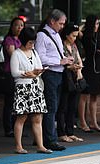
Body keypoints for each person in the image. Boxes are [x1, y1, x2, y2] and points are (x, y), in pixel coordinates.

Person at [36, 9, 73, 152]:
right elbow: (41, 57)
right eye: (61, 23)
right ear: (52, 21)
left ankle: (43, 137)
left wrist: (65, 61)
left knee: (55, 106)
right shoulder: (42, 35)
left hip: (58, 73)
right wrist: (60, 61)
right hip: (49, 73)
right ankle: (50, 140)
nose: (62, 26)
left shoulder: (56, 34)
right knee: (51, 108)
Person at [10, 27, 48, 154]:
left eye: (33, 42)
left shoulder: (35, 53)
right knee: (21, 117)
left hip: (35, 86)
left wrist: (36, 72)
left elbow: (39, 67)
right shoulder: (16, 53)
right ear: (24, 41)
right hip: (23, 87)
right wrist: (27, 73)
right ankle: (18, 146)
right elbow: (14, 72)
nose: (32, 45)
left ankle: (40, 145)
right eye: (30, 42)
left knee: (38, 117)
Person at [79, 15, 100, 132]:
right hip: (88, 67)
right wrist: (86, 26)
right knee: (84, 95)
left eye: (98, 24)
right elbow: (78, 30)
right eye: (95, 24)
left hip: (98, 66)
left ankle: (94, 122)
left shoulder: (99, 36)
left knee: (94, 96)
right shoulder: (85, 36)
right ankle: (82, 122)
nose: (97, 26)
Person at [57, 24, 84, 143]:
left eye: (76, 36)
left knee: (72, 106)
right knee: (63, 106)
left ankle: (70, 131)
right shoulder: (61, 45)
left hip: (74, 77)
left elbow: (79, 60)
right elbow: (60, 62)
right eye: (73, 36)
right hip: (64, 76)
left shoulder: (74, 46)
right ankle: (61, 132)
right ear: (67, 35)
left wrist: (78, 68)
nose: (75, 38)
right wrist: (71, 67)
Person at [1, 17, 24, 137]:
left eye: (21, 25)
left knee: (18, 101)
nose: (19, 27)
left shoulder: (22, 40)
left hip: (20, 73)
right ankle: (8, 128)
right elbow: (13, 54)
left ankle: (16, 127)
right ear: (12, 27)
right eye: (17, 25)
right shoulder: (9, 40)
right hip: (10, 73)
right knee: (9, 102)